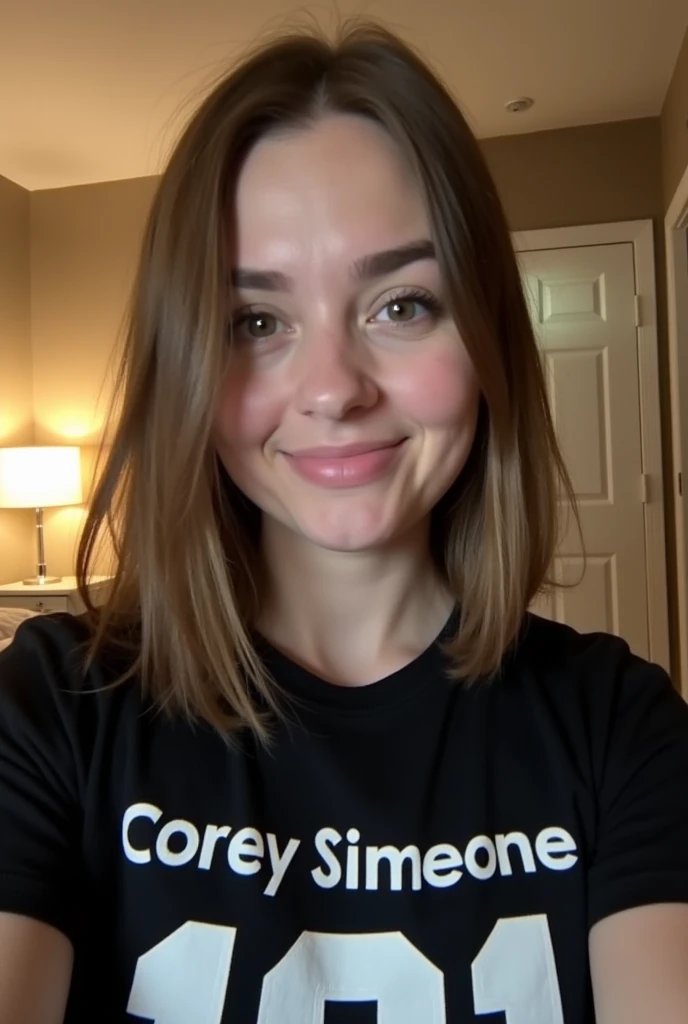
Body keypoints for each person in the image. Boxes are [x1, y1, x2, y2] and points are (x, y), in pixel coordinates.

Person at [0, 20, 687, 1024]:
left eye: (401, 304)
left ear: (486, 332)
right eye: (256, 322)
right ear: (187, 362)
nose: (331, 389)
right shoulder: (53, 710)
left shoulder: (618, 726)